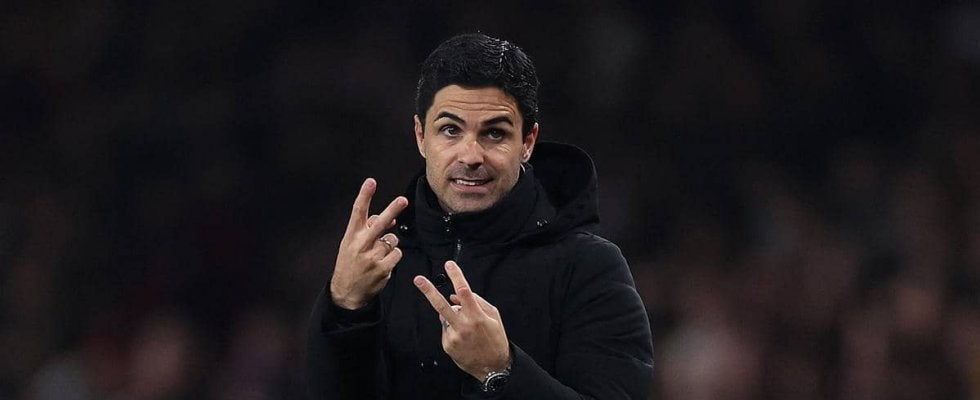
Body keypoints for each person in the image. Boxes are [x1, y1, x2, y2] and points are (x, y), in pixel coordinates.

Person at [307, 33, 654, 399]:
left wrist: (500, 370)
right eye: (450, 130)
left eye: (494, 133)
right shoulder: (380, 262)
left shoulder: (589, 268)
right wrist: (344, 307)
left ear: (527, 142)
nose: (471, 156)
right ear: (421, 135)